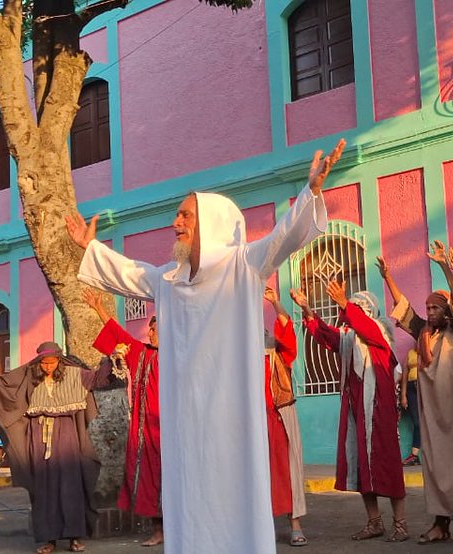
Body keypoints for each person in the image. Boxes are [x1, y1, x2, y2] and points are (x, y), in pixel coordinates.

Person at [69, 138, 344, 554]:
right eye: (176, 215)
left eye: (184, 215)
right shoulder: (168, 280)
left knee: (233, 496)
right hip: (186, 423)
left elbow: (283, 239)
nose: (175, 222)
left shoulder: (242, 264)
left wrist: (312, 191)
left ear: (210, 223)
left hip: (231, 418)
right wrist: (88, 247)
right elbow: (127, 273)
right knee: (190, 501)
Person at [382, 241, 453, 545]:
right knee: (437, 466)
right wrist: (389, 277)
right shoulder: (423, 334)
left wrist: (445, 265)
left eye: (435, 308)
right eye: (428, 307)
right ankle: (440, 524)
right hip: (433, 413)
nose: (429, 312)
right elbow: (405, 311)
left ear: (447, 311)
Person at [0, 341, 115, 554]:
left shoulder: (75, 374)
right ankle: (48, 539)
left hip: (68, 437)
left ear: (59, 361)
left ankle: (74, 537)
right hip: (38, 437)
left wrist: (113, 358)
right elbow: (0, 386)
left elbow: (97, 378)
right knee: (44, 490)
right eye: (44, 363)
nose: (48, 367)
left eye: (52, 362)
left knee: (71, 487)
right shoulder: (28, 377)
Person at [292, 284, 409, 542]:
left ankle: (400, 524)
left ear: (366, 311)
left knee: (387, 464)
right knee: (360, 466)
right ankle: (374, 522)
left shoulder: (378, 332)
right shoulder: (350, 338)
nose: (347, 312)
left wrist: (344, 302)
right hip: (357, 412)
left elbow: (366, 329)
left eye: (355, 308)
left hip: (379, 411)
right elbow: (327, 336)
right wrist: (307, 309)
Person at [83, 289, 164, 547]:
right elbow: (119, 334)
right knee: (149, 479)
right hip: (144, 431)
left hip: (170, 429)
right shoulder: (141, 352)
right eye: (150, 329)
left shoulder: (179, 355)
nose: (149, 333)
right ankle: (158, 529)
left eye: (154, 329)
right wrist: (98, 308)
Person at [262, 287, 308, 546]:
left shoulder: (281, 354)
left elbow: (286, 327)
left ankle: (295, 524)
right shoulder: (241, 360)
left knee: (289, 470)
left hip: (281, 415)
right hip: (255, 422)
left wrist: (275, 302)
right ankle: (260, 524)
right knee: (259, 473)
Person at [398, 349, 422, 466]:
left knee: (426, 422)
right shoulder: (410, 353)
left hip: (424, 387)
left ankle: (418, 454)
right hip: (411, 388)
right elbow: (405, 375)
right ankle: (415, 456)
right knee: (417, 421)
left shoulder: (429, 350)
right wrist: (403, 395)